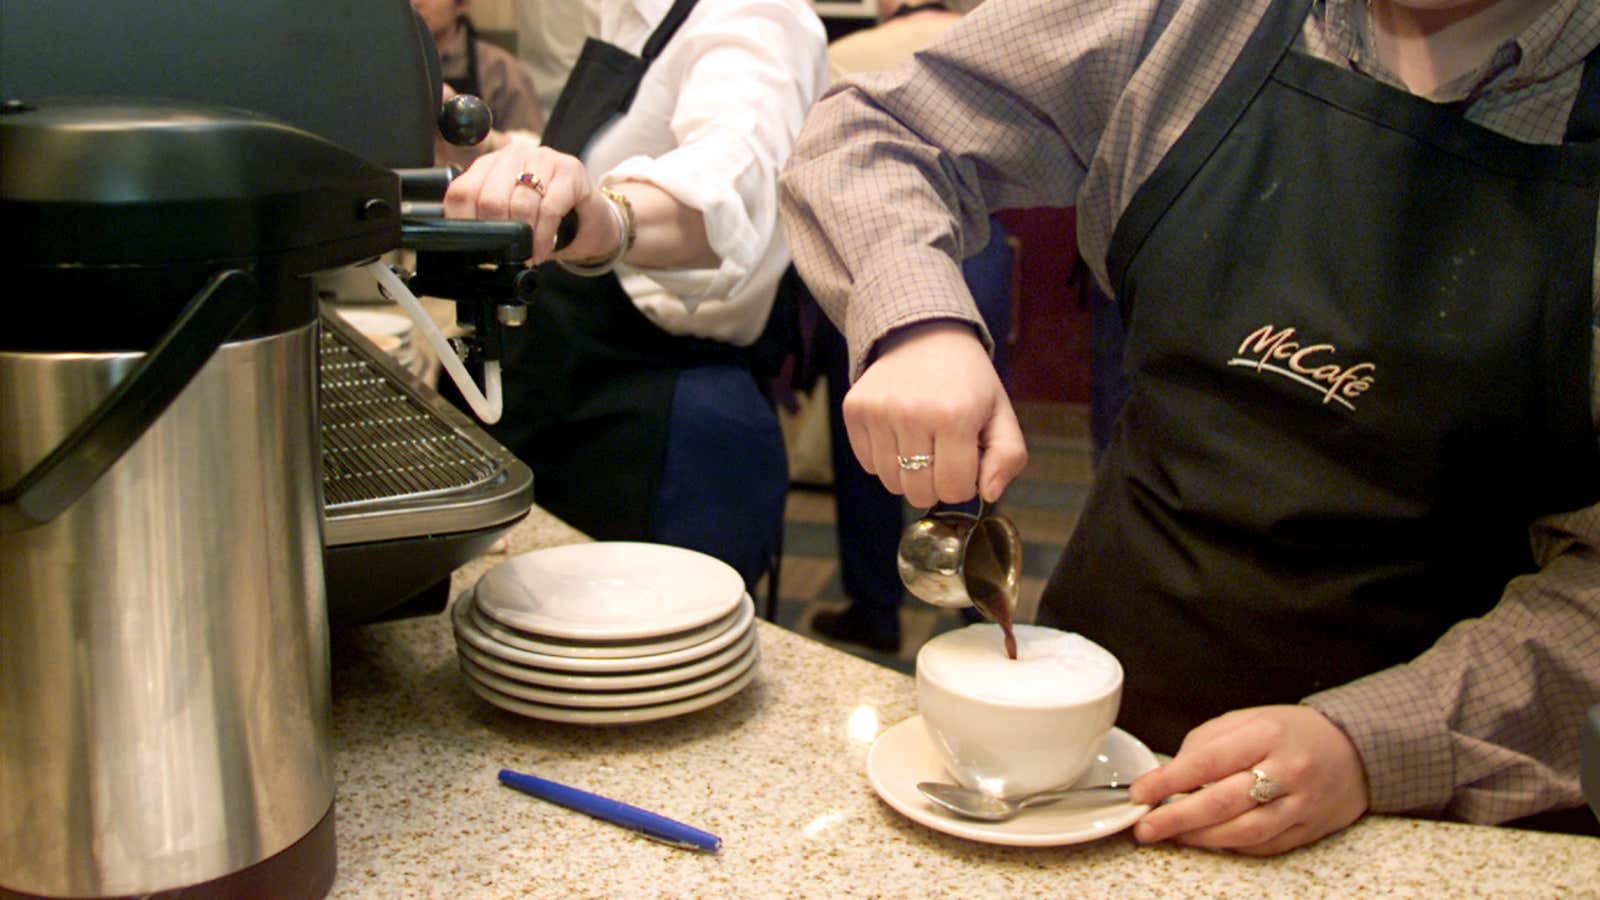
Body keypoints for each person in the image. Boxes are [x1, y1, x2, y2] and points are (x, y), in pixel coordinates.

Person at [779, 0, 1600, 855]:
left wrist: (1375, 744)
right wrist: (919, 324)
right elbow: (874, 128)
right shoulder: (1191, 21)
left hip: (1428, 816)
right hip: (1104, 750)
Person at [441, 0, 830, 590]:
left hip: (661, 431)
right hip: (572, 394)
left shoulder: (756, 15)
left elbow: (724, 190)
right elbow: (587, 175)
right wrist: (485, 155)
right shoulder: (633, 18)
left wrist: (607, 221)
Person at [805, 0, 1011, 655]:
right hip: (980, 253)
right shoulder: (991, 39)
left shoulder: (848, 53)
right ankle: (981, 596)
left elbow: (816, 163)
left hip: (875, 255)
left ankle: (877, 604)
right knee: (982, 428)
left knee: (870, 439)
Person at [412, 0, 546, 166]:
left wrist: (489, 144)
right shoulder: (379, 67)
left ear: (461, 5)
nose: (415, 3)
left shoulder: (499, 70)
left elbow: (538, 155)